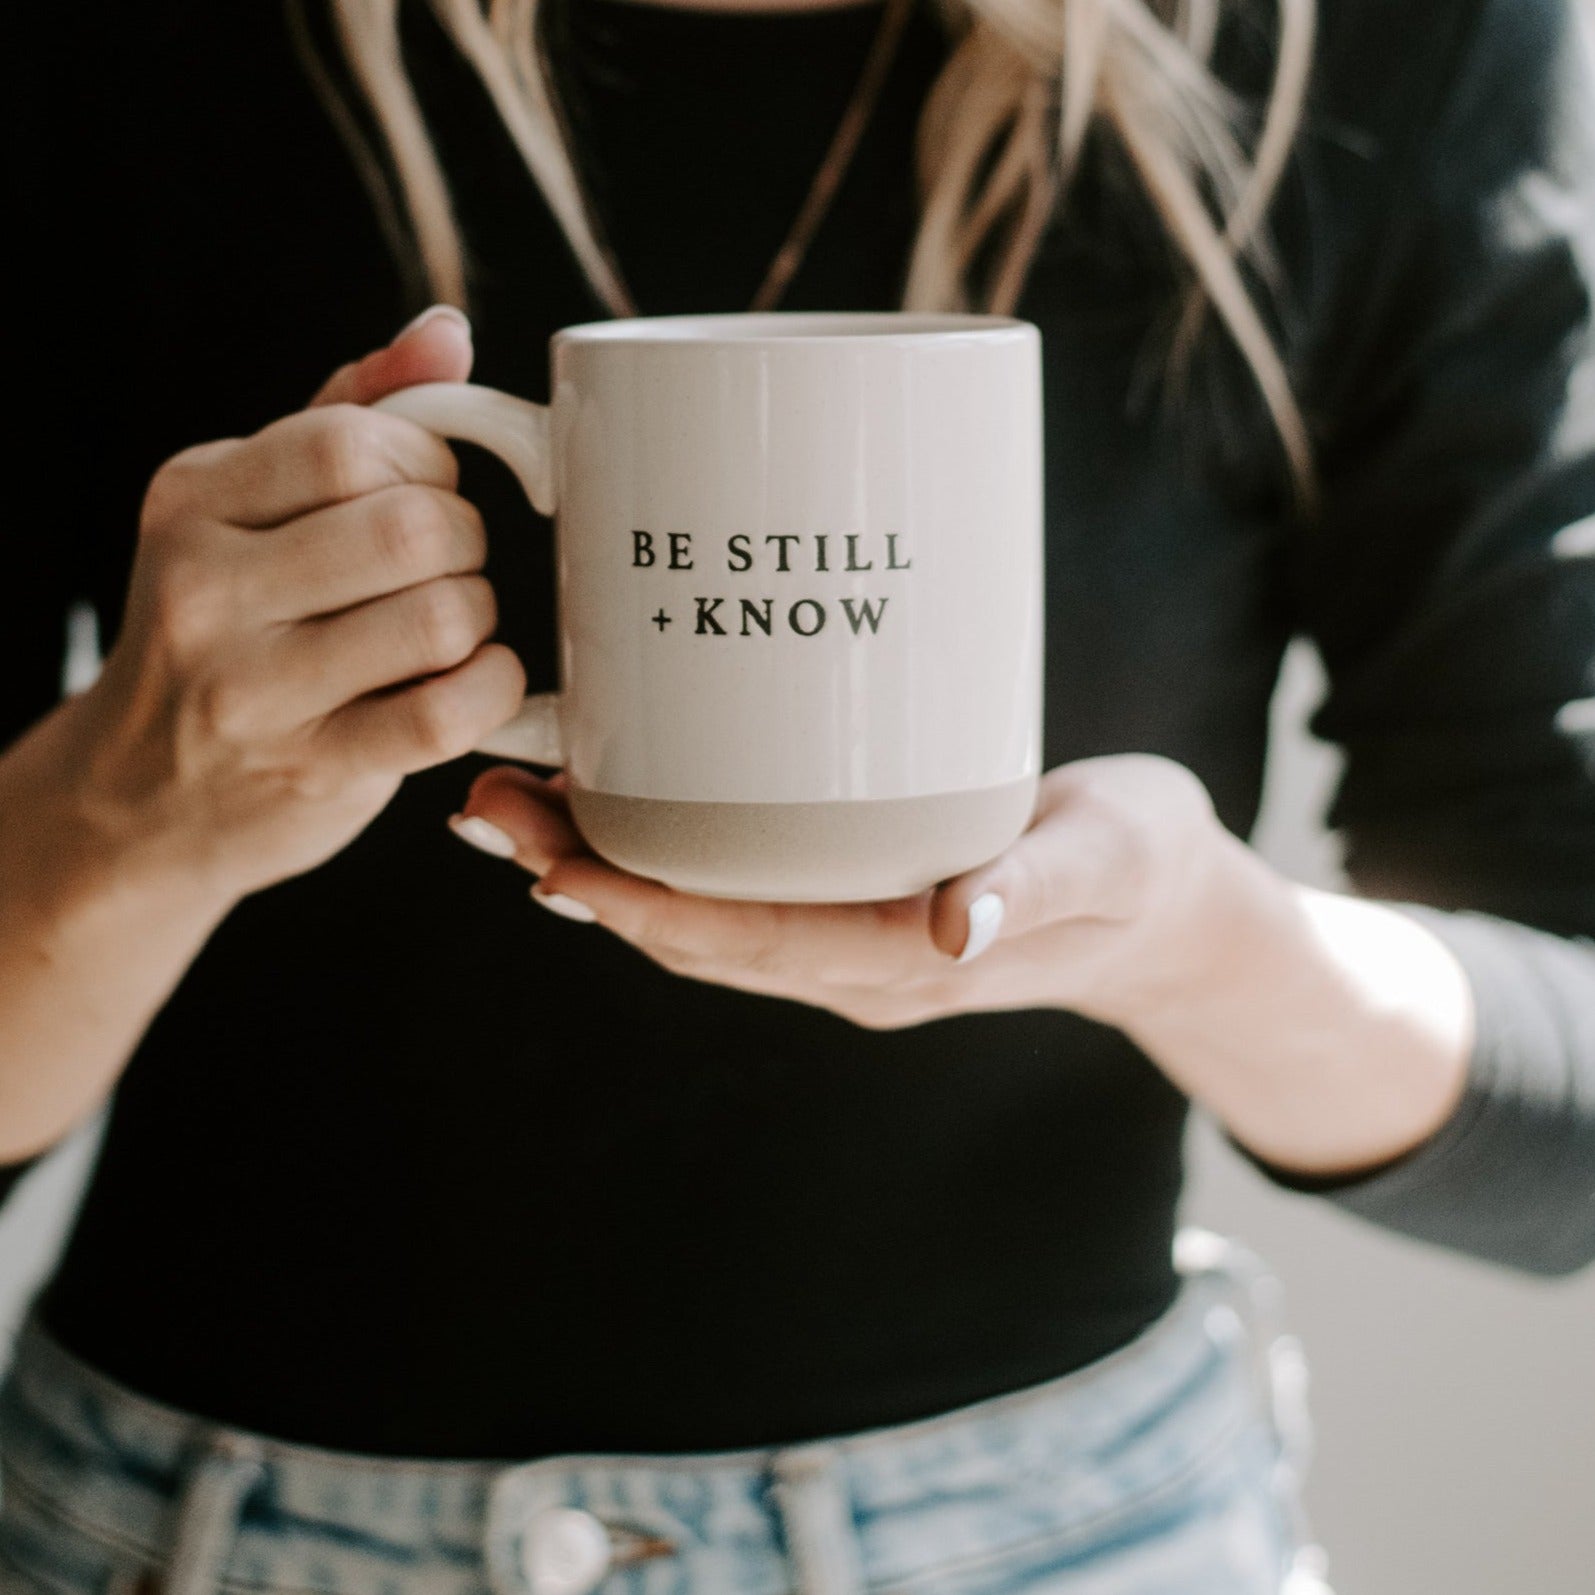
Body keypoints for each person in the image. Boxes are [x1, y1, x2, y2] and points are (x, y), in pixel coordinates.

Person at [1, 0, 1592, 1590]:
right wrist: (113, 821)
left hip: (1073, 1543)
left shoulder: (1382, 43)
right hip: (183, 1539)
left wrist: (1191, 945)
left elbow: (1569, 1117)